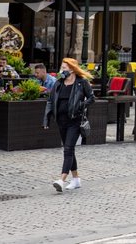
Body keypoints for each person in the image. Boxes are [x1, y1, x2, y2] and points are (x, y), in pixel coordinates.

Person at [43, 58, 95, 192]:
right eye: (62, 67)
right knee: (69, 149)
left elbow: (91, 98)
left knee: (67, 149)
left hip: (75, 120)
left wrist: (81, 105)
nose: (62, 70)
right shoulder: (59, 83)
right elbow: (50, 101)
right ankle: (76, 179)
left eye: (64, 68)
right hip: (61, 120)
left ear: (71, 69)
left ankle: (62, 179)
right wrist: (46, 119)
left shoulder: (81, 83)